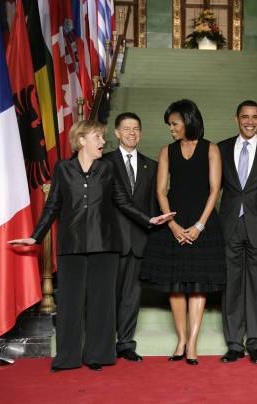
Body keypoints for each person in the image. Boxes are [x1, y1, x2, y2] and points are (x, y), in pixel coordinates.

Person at [8, 120, 173, 372]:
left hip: (104, 246)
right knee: (71, 304)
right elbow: (52, 205)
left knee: (101, 303)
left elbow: (122, 202)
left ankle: (98, 355)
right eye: (98, 137)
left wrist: (149, 219)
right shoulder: (63, 168)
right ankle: (67, 358)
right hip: (71, 246)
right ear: (82, 140)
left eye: (103, 138)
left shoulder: (107, 168)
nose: (103, 142)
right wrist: (36, 236)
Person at [140, 99, 226, 365]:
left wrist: (200, 225)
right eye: (170, 124)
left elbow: (215, 190)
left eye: (174, 123)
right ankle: (181, 340)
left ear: (188, 121)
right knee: (176, 287)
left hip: (204, 223)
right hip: (173, 223)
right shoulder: (167, 151)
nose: (171, 128)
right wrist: (172, 224)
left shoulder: (211, 149)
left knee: (198, 286)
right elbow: (160, 191)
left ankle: (193, 344)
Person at [218, 100, 257, 364]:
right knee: (231, 285)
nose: (250, 121)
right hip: (229, 226)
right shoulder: (220, 148)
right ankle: (234, 343)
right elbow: (214, 188)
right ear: (236, 119)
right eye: (245, 116)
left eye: (255, 117)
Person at [102, 112, 158, 362]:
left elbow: (153, 205)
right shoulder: (104, 162)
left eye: (136, 128)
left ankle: (125, 343)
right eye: (126, 128)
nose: (132, 133)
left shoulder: (152, 165)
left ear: (141, 133)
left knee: (131, 297)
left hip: (138, 242)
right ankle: (103, 343)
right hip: (111, 240)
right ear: (116, 133)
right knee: (107, 294)